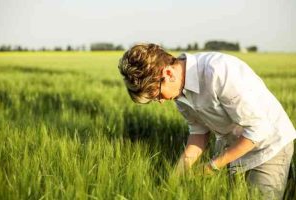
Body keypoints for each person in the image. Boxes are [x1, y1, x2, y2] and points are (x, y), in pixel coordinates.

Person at [117, 43, 295, 199]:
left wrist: (212, 166)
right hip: (231, 146)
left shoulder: (218, 71)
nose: (161, 101)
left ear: (169, 73)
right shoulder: (179, 93)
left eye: (157, 94)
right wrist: (175, 176)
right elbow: (199, 133)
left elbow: (258, 130)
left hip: (268, 147)